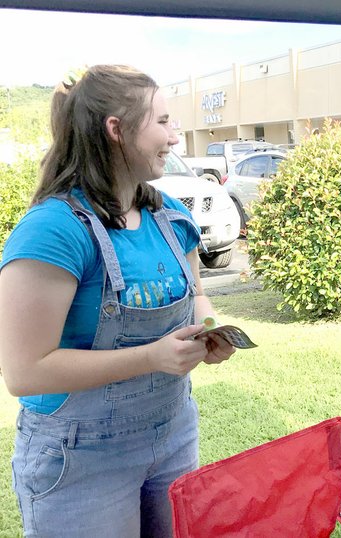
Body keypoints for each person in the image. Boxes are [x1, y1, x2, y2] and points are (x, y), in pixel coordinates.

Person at [0, 65, 235, 537]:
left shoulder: (171, 216)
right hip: (79, 459)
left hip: (172, 436)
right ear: (117, 130)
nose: (174, 136)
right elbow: (25, 372)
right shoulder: (54, 230)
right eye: (163, 121)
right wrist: (152, 357)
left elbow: (199, 294)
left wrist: (210, 331)